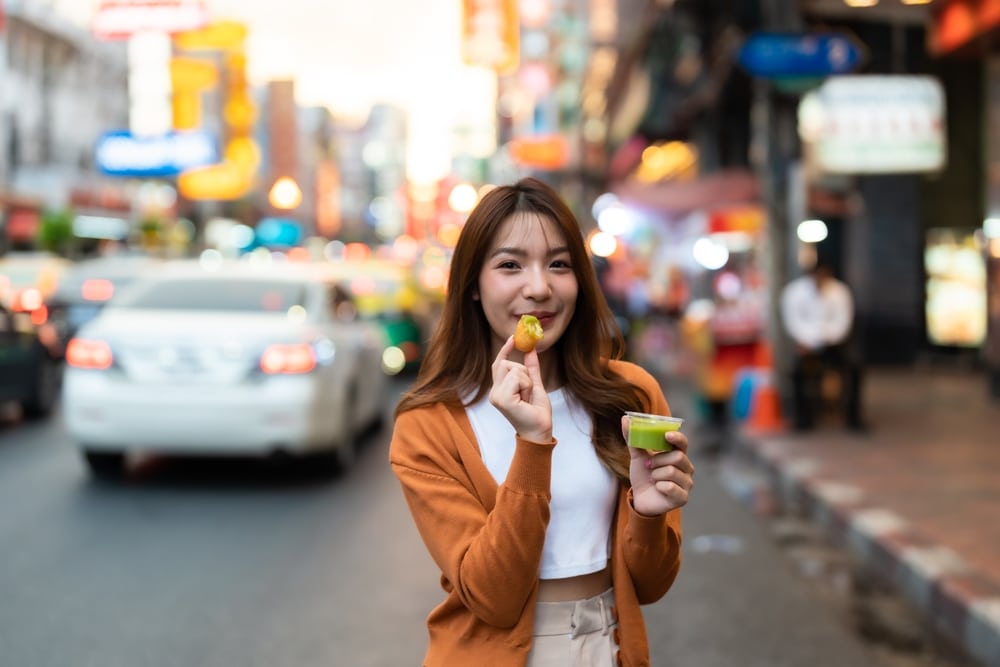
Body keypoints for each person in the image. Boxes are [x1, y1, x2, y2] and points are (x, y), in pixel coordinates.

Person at [389, 177, 695, 666]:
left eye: (559, 264)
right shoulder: (429, 425)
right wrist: (533, 443)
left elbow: (650, 585)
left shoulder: (631, 396)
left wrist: (649, 513)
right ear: (472, 285)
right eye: (510, 265)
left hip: (608, 647)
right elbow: (494, 596)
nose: (540, 288)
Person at [779, 260, 864, 432]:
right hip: (806, 345)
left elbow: (843, 322)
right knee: (797, 374)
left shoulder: (839, 292)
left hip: (834, 344)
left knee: (855, 368)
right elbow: (793, 322)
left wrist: (825, 339)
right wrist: (810, 341)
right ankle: (803, 419)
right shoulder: (795, 292)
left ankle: (853, 418)